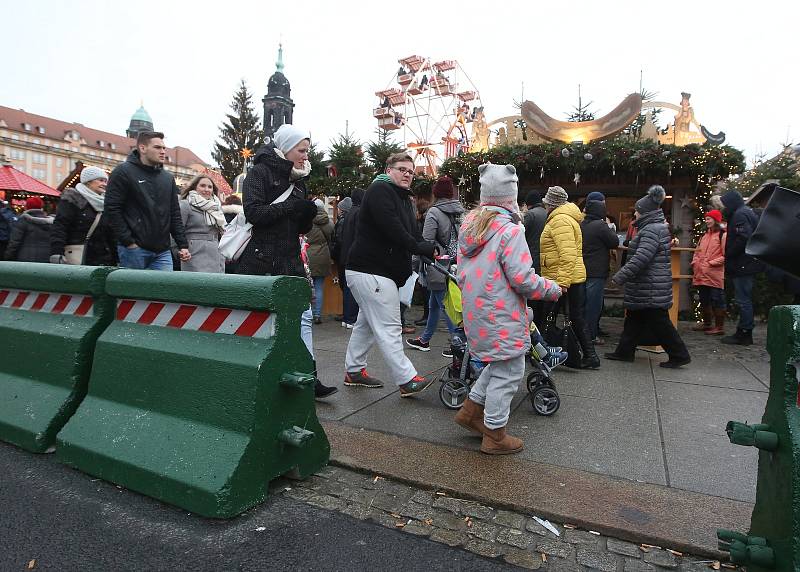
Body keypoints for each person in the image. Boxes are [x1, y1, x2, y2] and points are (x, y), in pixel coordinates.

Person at [453, 164, 561, 455]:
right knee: (510, 370)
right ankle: (495, 434)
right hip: (502, 313)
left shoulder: (471, 228)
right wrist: (551, 288)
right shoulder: (510, 231)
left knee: (499, 364)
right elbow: (522, 278)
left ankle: (470, 412)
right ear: (510, 195)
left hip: (478, 312)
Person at [237, 124, 336, 399]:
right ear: (286, 148)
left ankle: (309, 375)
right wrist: (290, 207)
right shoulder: (260, 172)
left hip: (290, 258)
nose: (306, 156)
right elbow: (254, 213)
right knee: (259, 320)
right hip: (261, 259)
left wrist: (305, 215)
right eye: (301, 150)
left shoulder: (300, 180)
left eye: (307, 150)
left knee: (303, 317)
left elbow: (301, 229)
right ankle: (250, 374)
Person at [343, 152, 437, 396]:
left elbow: (411, 232)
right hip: (371, 270)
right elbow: (392, 228)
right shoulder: (380, 190)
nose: (408, 174)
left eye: (411, 171)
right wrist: (419, 247)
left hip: (373, 271)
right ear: (389, 169)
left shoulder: (403, 198)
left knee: (365, 325)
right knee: (389, 327)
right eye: (402, 169)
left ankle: (354, 371)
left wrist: (427, 248)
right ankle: (406, 379)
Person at [606, 185, 691, 368]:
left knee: (660, 323)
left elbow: (642, 257)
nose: (634, 214)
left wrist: (620, 276)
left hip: (650, 287)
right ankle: (624, 352)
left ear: (644, 212)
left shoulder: (651, 230)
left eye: (637, 211)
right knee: (634, 319)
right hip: (647, 286)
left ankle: (679, 354)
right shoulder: (653, 228)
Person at [104, 131, 190, 270]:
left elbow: (174, 213)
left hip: (162, 251)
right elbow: (112, 209)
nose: (163, 151)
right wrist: (128, 242)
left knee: (164, 289)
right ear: (142, 148)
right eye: (157, 147)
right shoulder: (123, 172)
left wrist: (182, 245)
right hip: (134, 250)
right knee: (134, 291)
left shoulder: (167, 178)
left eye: (163, 148)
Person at [539, 186, 600, 369]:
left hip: (562, 279)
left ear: (552, 204)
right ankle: (589, 355)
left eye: (547, 203)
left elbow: (567, 255)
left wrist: (562, 283)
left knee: (547, 316)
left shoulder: (560, 221)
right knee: (574, 317)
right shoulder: (564, 218)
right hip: (568, 277)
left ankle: (542, 353)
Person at [407, 176, 464, 356]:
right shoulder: (460, 211)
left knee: (445, 305)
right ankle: (425, 339)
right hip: (456, 262)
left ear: (435, 193)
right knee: (435, 304)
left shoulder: (433, 212)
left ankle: (458, 343)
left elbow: (426, 242)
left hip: (438, 264)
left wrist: (414, 264)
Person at [719, 190, 763, 346]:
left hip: (743, 264)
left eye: (725, 204)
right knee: (743, 298)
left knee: (743, 299)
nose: (723, 207)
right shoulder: (744, 212)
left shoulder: (739, 215)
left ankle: (744, 333)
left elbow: (743, 237)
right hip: (746, 263)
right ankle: (743, 331)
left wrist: (729, 253)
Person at [50, 166, 117, 266]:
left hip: (102, 259)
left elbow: (110, 234)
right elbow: (60, 226)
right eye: (101, 180)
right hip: (78, 257)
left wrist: (115, 258)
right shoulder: (73, 199)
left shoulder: (104, 203)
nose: (104, 184)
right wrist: (57, 252)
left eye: (105, 181)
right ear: (88, 181)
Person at [581, 192, 619, 343]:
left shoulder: (582, 224)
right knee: (593, 307)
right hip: (596, 272)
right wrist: (609, 227)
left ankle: (583, 334)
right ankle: (590, 336)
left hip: (583, 269)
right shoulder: (601, 226)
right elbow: (614, 242)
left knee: (583, 305)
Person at [178, 175, 226, 273]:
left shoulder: (216, 207)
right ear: (195, 187)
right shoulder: (185, 205)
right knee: (195, 285)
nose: (206, 189)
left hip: (215, 253)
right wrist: (179, 251)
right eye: (202, 186)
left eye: (210, 187)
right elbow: (177, 230)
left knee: (215, 286)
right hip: (193, 252)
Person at [691, 209, 727, 335]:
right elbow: (697, 251)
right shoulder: (704, 235)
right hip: (701, 273)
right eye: (706, 219)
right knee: (704, 299)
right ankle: (707, 324)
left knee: (717, 300)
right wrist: (695, 262)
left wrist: (710, 263)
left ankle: (719, 327)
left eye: (709, 219)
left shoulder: (723, 235)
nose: (706, 221)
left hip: (714, 274)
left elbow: (725, 255)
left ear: (715, 220)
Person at [338, 189, 365, 328]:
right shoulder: (359, 213)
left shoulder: (348, 214)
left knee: (348, 287)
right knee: (353, 288)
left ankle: (346, 317)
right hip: (354, 256)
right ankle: (351, 318)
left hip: (344, 254)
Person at [306, 198, 334, 323]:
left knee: (307, 286)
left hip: (308, 254)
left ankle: (308, 313)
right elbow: (332, 237)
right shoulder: (328, 222)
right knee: (319, 287)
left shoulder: (306, 220)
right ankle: (317, 315)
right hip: (323, 255)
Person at [5, 196, 53, 262]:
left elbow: (14, 242)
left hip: (25, 259)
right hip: (45, 259)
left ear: (27, 206)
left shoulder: (23, 220)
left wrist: (8, 257)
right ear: (41, 207)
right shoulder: (50, 222)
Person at [412, 193, 433, 327]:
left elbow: (422, 241)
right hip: (431, 258)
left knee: (427, 290)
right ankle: (429, 317)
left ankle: (427, 316)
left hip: (425, 259)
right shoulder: (427, 218)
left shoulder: (424, 221)